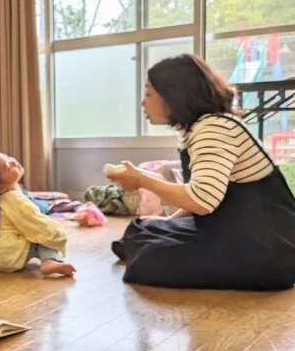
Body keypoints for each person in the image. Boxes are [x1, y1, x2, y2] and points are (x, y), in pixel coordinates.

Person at [108, 54, 295, 290]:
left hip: (266, 248)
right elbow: (204, 190)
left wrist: (142, 179)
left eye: (148, 94)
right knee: (142, 227)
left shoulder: (213, 129)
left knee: (148, 258)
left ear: (174, 97)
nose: (143, 103)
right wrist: (168, 220)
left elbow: (202, 201)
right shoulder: (202, 127)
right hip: (232, 231)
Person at [0, 152, 76, 277]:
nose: (13, 161)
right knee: (43, 234)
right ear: (1, 188)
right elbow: (39, 226)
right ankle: (50, 261)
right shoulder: (15, 200)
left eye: (8, 157)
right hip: (7, 256)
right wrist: (58, 231)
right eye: (8, 166)